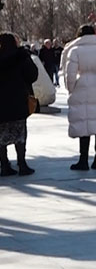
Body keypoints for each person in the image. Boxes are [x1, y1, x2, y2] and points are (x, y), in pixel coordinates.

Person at [63, 25, 96, 171]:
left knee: (84, 125)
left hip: (82, 87)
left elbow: (70, 74)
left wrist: (71, 88)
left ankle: (83, 160)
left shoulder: (75, 50)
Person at [0, 33, 39, 176]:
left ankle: (4, 165)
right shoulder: (21, 56)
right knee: (20, 133)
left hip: (1, 104)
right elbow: (33, 75)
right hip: (18, 100)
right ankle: (22, 164)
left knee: (1, 135)